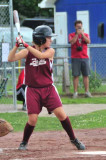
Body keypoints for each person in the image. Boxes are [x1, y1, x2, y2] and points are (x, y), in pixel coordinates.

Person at [8, 25, 85, 150]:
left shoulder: (50, 51)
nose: (51, 40)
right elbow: (10, 58)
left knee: (61, 115)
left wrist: (25, 45)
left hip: (48, 89)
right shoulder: (27, 52)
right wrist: (17, 45)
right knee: (32, 120)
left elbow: (41, 56)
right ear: (41, 39)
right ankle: (24, 141)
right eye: (48, 38)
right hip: (32, 90)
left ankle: (73, 139)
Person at [69, 20, 92, 98]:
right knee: (76, 75)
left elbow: (88, 41)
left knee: (86, 75)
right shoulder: (71, 35)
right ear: (75, 27)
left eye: (80, 26)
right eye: (78, 26)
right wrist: (76, 34)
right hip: (75, 58)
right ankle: (75, 92)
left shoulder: (85, 34)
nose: (79, 27)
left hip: (84, 57)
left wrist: (82, 34)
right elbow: (72, 42)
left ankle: (87, 92)